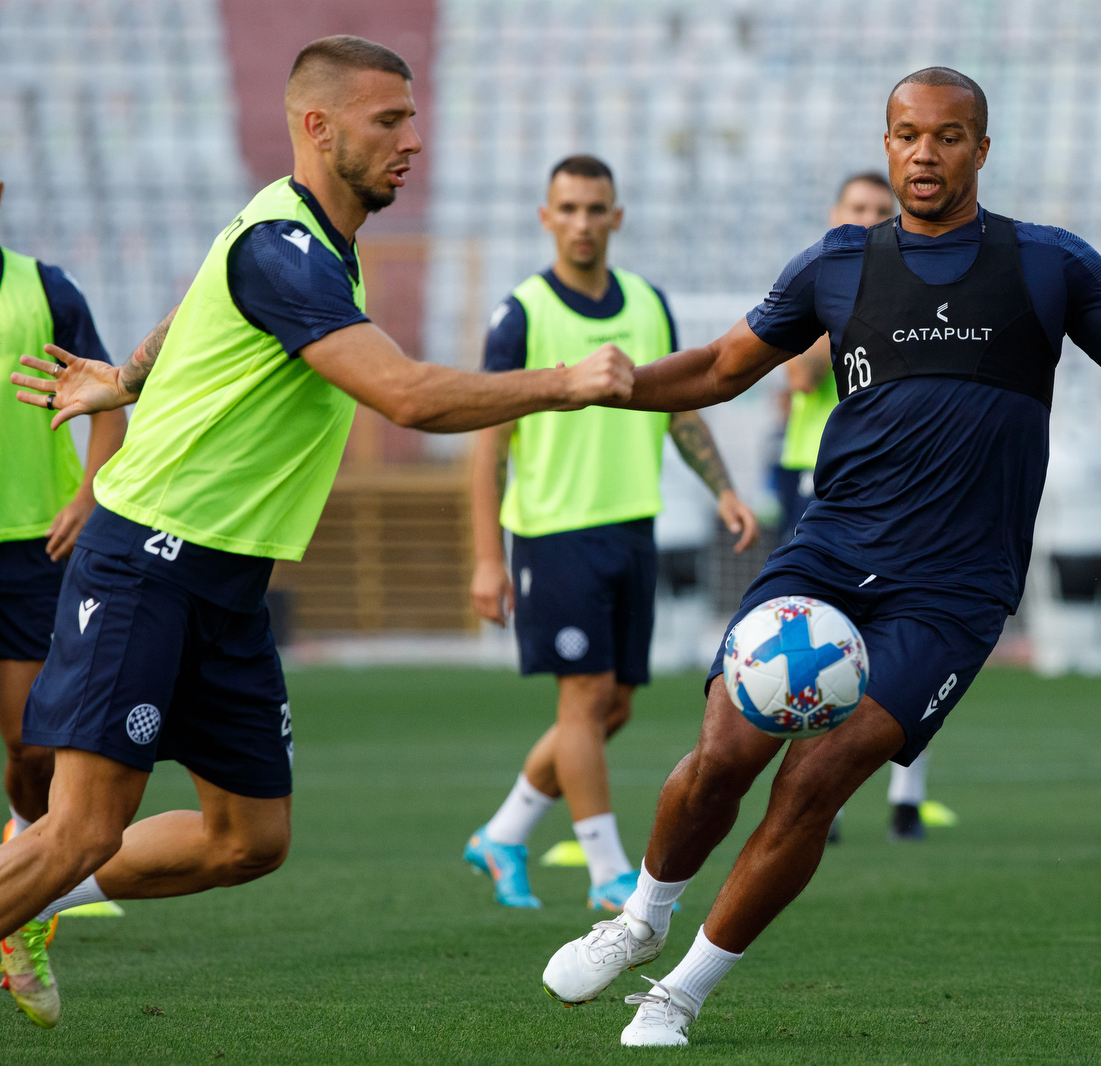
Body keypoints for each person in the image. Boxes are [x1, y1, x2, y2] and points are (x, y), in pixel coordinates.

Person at [539, 66, 1101, 1046]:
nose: (922, 154)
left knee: (815, 780)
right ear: (885, 143)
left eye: (945, 136)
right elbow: (723, 369)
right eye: (904, 135)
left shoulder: (1049, 264)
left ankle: (680, 990)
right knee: (722, 753)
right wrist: (604, 383)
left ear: (981, 147)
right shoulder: (838, 264)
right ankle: (640, 917)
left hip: (952, 593)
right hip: (828, 556)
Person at [0, 35, 633, 1030]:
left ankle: (28, 895)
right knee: (78, 826)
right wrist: (567, 381)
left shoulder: (293, 241)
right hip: (148, 563)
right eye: (390, 121)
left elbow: (195, 306)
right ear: (317, 125)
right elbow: (410, 398)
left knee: (248, 839)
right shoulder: (284, 250)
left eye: (413, 119)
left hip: (228, 586)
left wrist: (125, 375)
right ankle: (30, 878)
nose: (413, 141)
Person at [464, 155, 757, 912]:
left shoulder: (648, 304)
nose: (583, 222)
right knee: (584, 700)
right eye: (568, 208)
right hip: (553, 533)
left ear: (617, 217)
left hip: (632, 530)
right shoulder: (521, 314)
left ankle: (502, 834)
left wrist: (723, 488)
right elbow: (488, 441)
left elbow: (680, 405)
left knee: (613, 707)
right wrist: (486, 559)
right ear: (546, 217)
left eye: (597, 209)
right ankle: (607, 874)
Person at [772, 172, 947, 845]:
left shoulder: (922, 289)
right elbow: (801, 375)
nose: (872, 218)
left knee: (911, 639)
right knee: (819, 646)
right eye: (860, 209)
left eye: (883, 210)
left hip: (903, 486)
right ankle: (827, 798)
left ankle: (908, 795)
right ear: (836, 215)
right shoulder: (824, 282)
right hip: (820, 485)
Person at [1, 181, 127, 865]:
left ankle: (27, 859)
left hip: (29, 545)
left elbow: (112, 397)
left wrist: (88, 496)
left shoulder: (47, 290)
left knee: (30, 743)